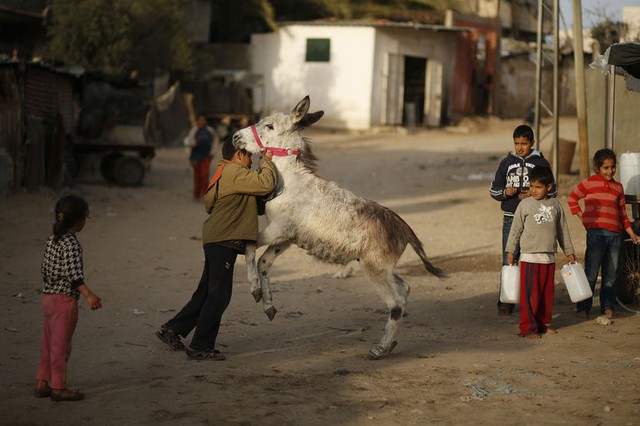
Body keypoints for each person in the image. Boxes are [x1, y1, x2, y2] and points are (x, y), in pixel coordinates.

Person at [156, 139, 276, 360]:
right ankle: (200, 346)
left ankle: (172, 329)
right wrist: (267, 162)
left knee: (205, 292)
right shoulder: (234, 172)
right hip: (224, 240)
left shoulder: (223, 172)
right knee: (219, 296)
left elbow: (256, 201)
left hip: (217, 239)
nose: (251, 161)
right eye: (250, 156)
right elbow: (266, 184)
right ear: (239, 154)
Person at [35, 195, 102, 402]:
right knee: (61, 345)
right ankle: (59, 387)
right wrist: (89, 295)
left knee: (47, 342)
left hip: (48, 298)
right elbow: (74, 276)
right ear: (80, 220)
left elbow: (45, 270)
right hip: (65, 301)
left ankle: (42, 382)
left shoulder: (52, 240)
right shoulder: (71, 243)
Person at [490, 124, 556, 315]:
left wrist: (533, 195)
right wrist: (505, 192)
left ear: (532, 143)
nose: (520, 147)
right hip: (511, 218)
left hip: (534, 220)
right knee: (509, 257)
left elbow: (553, 189)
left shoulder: (541, 163)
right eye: (517, 143)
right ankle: (506, 300)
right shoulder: (505, 163)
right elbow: (494, 190)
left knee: (532, 259)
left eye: (524, 144)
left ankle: (532, 301)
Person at [567, 148, 639, 320]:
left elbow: (622, 214)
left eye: (612, 167)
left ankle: (607, 306)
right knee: (591, 273)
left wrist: (631, 233)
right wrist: (583, 217)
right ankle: (584, 307)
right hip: (596, 236)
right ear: (597, 168)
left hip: (615, 237)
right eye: (606, 168)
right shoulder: (589, 183)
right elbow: (572, 198)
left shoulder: (618, 188)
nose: (610, 171)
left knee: (611, 274)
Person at [505, 166, 576, 338]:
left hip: (548, 259)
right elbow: (515, 229)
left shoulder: (556, 205)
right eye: (531, 186)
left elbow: (562, 231)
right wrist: (510, 251)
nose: (533, 190)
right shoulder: (525, 205)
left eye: (538, 187)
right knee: (531, 295)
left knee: (546, 295)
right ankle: (528, 328)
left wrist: (569, 252)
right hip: (529, 258)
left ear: (549, 187)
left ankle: (542, 324)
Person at [185, 114, 215, 200]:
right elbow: (189, 142)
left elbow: (215, 142)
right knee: (197, 176)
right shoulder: (194, 131)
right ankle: (196, 195)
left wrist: (212, 153)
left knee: (204, 175)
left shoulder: (210, 131)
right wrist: (196, 142)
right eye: (200, 120)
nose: (202, 122)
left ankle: (205, 195)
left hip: (205, 156)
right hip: (195, 157)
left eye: (203, 120)